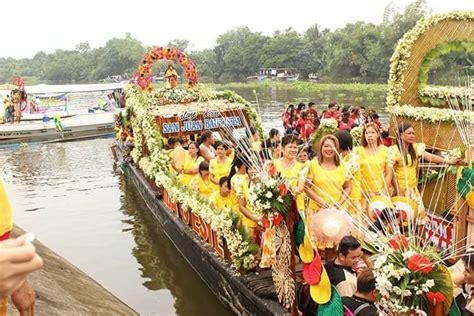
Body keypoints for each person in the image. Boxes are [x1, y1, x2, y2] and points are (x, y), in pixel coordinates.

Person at [391, 123, 463, 218]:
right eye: (409, 133)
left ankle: (416, 233)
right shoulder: (393, 151)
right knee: (400, 217)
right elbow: (391, 173)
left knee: (420, 215)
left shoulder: (416, 148)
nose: (412, 135)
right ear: (400, 135)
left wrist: (448, 161)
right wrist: (399, 191)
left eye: (413, 133)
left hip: (412, 189)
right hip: (398, 189)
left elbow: (431, 157)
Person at [306, 135, 351, 258]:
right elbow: (306, 187)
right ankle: (318, 272)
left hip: (336, 210)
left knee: (333, 244)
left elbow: (348, 186)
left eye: (332, 146)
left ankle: (331, 270)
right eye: (326, 146)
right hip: (317, 209)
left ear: (337, 148)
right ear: (321, 148)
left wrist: (340, 202)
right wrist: (320, 201)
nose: (329, 149)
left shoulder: (343, 166)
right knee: (316, 245)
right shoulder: (313, 165)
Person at [355, 123, 393, 210]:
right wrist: (366, 191)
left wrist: (384, 191)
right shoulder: (357, 151)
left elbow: (389, 173)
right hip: (363, 192)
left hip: (380, 192)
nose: (369, 135)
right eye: (367, 133)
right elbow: (357, 174)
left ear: (377, 134)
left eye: (372, 133)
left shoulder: (386, 151)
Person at [228, 154, 261, 241]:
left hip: (253, 215)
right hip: (243, 217)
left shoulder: (247, 176)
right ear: (243, 165)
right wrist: (254, 218)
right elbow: (241, 206)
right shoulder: (237, 180)